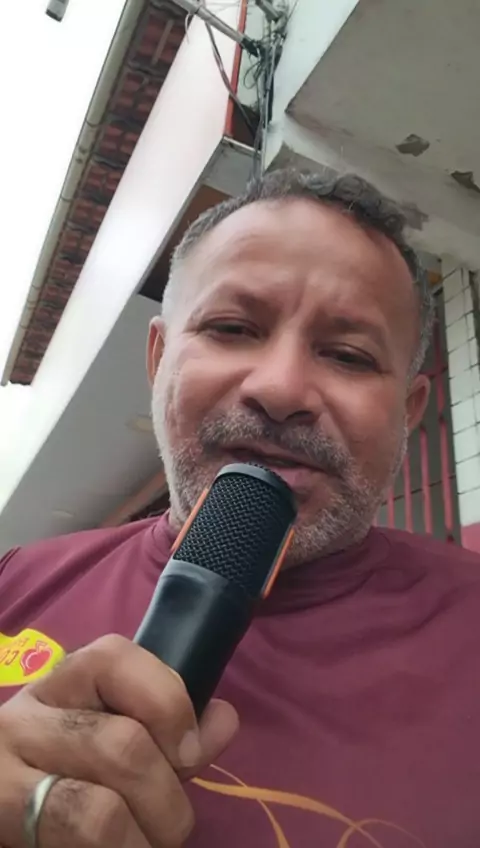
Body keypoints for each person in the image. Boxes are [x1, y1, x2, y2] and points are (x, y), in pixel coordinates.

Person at [0, 168, 479, 848]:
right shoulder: (14, 583)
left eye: (348, 355)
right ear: (159, 359)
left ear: (408, 412)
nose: (280, 389)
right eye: (231, 327)